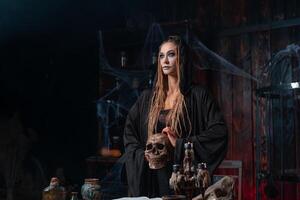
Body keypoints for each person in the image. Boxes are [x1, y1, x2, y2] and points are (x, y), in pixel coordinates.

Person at [123, 35, 228, 197]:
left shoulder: (198, 96)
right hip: (151, 180)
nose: (165, 61)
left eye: (171, 55)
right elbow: (130, 132)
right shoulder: (147, 98)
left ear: (182, 59)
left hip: (181, 181)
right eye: (161, 56)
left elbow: (219, 132)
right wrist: (143, 154)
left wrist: (182, 144)